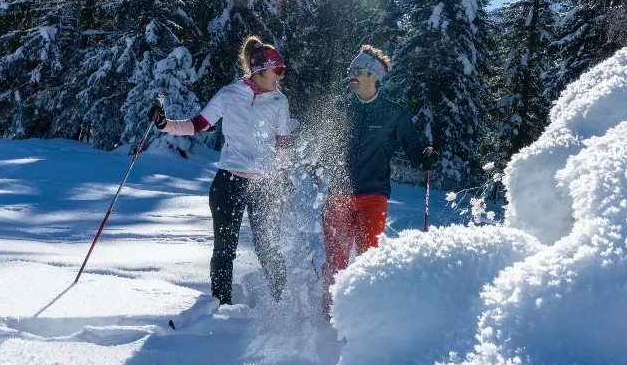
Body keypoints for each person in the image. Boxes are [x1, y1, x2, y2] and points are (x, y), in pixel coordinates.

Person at [149, 36, 291, 305]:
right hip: (229, 180)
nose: (280, 76)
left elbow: (283, 141)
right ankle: (220, 306)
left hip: (264, 185)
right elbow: (198, 124)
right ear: (261, 69)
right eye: (278, 70)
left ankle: (282, 303)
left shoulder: (279, 101)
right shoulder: (229, 94)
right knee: (225, 249)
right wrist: (165, 124)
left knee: (268, 248)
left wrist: (282, 174)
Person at [319, 45, 439, 316]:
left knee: (368, 257)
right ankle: (329, 314)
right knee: (336, 259)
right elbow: (325, 146)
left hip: (373, 195)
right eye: (350, 70)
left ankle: (364, 315)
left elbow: (412, 147)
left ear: (373, 77)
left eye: (357, 71)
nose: (351, 75)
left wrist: (424, 158)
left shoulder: (394, 113)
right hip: (338, 194)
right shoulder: (341, 108)